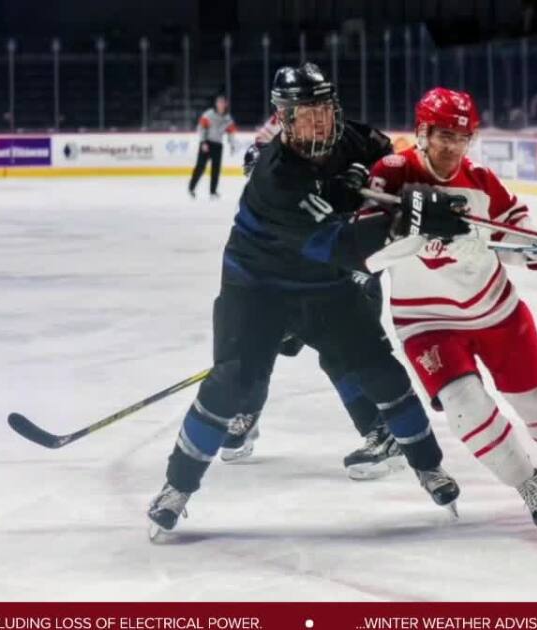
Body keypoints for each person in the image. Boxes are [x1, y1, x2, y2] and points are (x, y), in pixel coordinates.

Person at [147, 63, 465, 539]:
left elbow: (400, 161)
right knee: (231, 381)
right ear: (284, 119)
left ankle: (428, 466)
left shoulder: (355, 140)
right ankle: (177, 487)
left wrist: (419, 191)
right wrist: (412, 218)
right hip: (257, 287)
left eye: (323, 110)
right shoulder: (276, 176)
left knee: (379, 366)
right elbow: (336, 242)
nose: (317, 122)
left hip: (324, 284)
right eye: (304, 114)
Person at [365, 87, 537, 528]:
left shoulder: (479, 180)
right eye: (442, 134)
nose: (451, 146)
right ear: (422, 132)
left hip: (495, 310)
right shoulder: (392, 173)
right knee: (466, 407)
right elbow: (367, 250)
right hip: (426, 321)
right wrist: (412, 236)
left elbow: (514, 233)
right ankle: (526, 481)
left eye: (461, 137)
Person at [234, 113, 404, 481]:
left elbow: (389, 159)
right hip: (296, 270)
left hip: (351, 262)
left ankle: (380, 431)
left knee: (340, 352)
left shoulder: (344, 136)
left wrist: (361, 171)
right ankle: (245, 416)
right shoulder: (274, 164)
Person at [188, 94, 237, 199]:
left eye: (223, 102)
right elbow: (201, 128)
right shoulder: (208, 114)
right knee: (200, 166)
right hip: (207, 143)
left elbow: (231, 132)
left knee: (216, 169)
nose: (221, 104)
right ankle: (191, 188)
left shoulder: (227, 118)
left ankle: (213, 192)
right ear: (216, 103)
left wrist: (232, 145)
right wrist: (203, 142)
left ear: (226, 104)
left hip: (218, 145)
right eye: (219, 102)